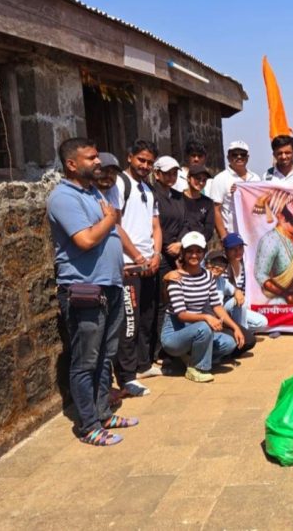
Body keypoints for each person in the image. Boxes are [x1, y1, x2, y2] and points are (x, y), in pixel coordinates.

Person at [48, 137, 137, 446]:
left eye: (97, 156)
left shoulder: (92, 192)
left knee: (105, 356)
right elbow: (84, 240)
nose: (98, 162)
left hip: (108, 285)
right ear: (72, 164)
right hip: (85, 289)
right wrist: (111, 218)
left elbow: (111, 231)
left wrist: (134, 255)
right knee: (86, 360)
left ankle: (103, 412)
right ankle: (88, 426)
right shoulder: (63, 198)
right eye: (91, 158)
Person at [161, 232, 250, 383]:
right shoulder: (176, 278)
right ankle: (197, 367)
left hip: (197, 329)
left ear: (203, 253)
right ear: (183, 253)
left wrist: (235, 327)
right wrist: (206, 317)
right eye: (190, 251)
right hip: (176, 333)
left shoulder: (207, 276)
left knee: (229, 343)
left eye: (198, 251)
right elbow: (181, 314)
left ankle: (189, 358)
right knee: (204, 326)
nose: (194, 255)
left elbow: (217, 305)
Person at [115, 139, 162, 397]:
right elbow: (116, 224)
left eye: (149, 163)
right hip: (129, 266)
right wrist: (136, 256)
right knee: (129, 323)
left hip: (147, 264)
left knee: (147, 317)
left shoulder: (148, 188)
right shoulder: (119, 184)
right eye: (141, 160)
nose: (144, 166)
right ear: (130, 157)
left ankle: (143, 364)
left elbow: (156, 226)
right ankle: (127, 376)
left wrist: (154, 255)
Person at [152, 155, 188, 374]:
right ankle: (160, 351)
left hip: (178, 253)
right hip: (162, 255)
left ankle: (176, 347)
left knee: (178, 301)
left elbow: (185, 222)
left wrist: (180, 243)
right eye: (167, 173)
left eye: (174, 173)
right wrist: (168, 246)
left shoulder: (178, 196)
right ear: (157, 174)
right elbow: (154, 226)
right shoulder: (152, 195)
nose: (171, 177)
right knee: (162, 303)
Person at [206, 250, 268, 333]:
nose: (217, 267)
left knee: (262, 322)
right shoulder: (200, 278)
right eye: (214, 262)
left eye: (221, 265)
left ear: (225, 268)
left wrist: (237, 292)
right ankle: (240, 333)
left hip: (223, 311)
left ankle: (239, 331)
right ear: (207, 264)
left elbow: (235, 290)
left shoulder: (221, 280)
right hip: (209, 315)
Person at [210, 140, 260, 239]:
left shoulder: (256, 178)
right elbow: (216, 210)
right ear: (228, 157)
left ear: (247, 157)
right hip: (232, 233)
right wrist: (224, 236)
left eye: (243, 154)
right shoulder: (220, 179)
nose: (239, 157)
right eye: (235, 154)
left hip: (253, 233)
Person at [222, 233, 269, 331]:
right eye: (233, 249)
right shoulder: (222, 267)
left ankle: (233, 329)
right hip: (223, 306)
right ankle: (242, 335)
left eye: (240, 248)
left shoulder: (244, 266)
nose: (238, 251)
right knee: (241, 302)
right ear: (226, 251)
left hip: (239, 307)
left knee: (262, 323)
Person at [183, 164, 216, 243]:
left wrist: (197, 243)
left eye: (204, 180)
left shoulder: (208, 203)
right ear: (188, 178)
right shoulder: (178, 199)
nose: (201, 183)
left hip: (200, 246)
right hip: (180, 244)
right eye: (198, 179)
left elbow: (209, 229)